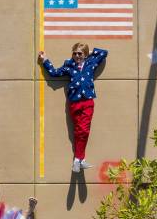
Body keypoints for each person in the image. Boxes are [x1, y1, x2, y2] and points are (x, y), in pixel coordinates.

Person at [38, 43, 108, 173]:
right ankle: (80, 160)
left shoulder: (91, 63)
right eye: (75, 53)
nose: (77, 56)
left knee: (84, 130)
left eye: (80, 53)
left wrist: (89, 52)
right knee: (78, 130)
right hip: (74, 102)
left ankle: (78, 159)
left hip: (88, 101)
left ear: (85, 55)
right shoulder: (69, 66)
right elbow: (54, 73)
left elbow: (104, 53)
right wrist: (45, 60)